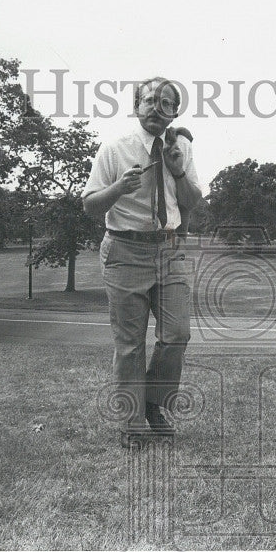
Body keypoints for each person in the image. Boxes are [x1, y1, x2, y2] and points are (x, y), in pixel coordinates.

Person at [82, 77, 203, 447]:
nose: (156, 108)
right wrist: (119, 188)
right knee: (130, 344)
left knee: (176, 334)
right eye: (149, 100)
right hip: (125, 251)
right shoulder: (115, 148)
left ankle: (152, 402)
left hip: (168, 251)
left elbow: (192, 200)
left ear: (174, 112)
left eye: (166, 103)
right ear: (136, 106)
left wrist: (178, 168)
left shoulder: (179, 146)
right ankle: (132, 425)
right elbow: (89, 204)